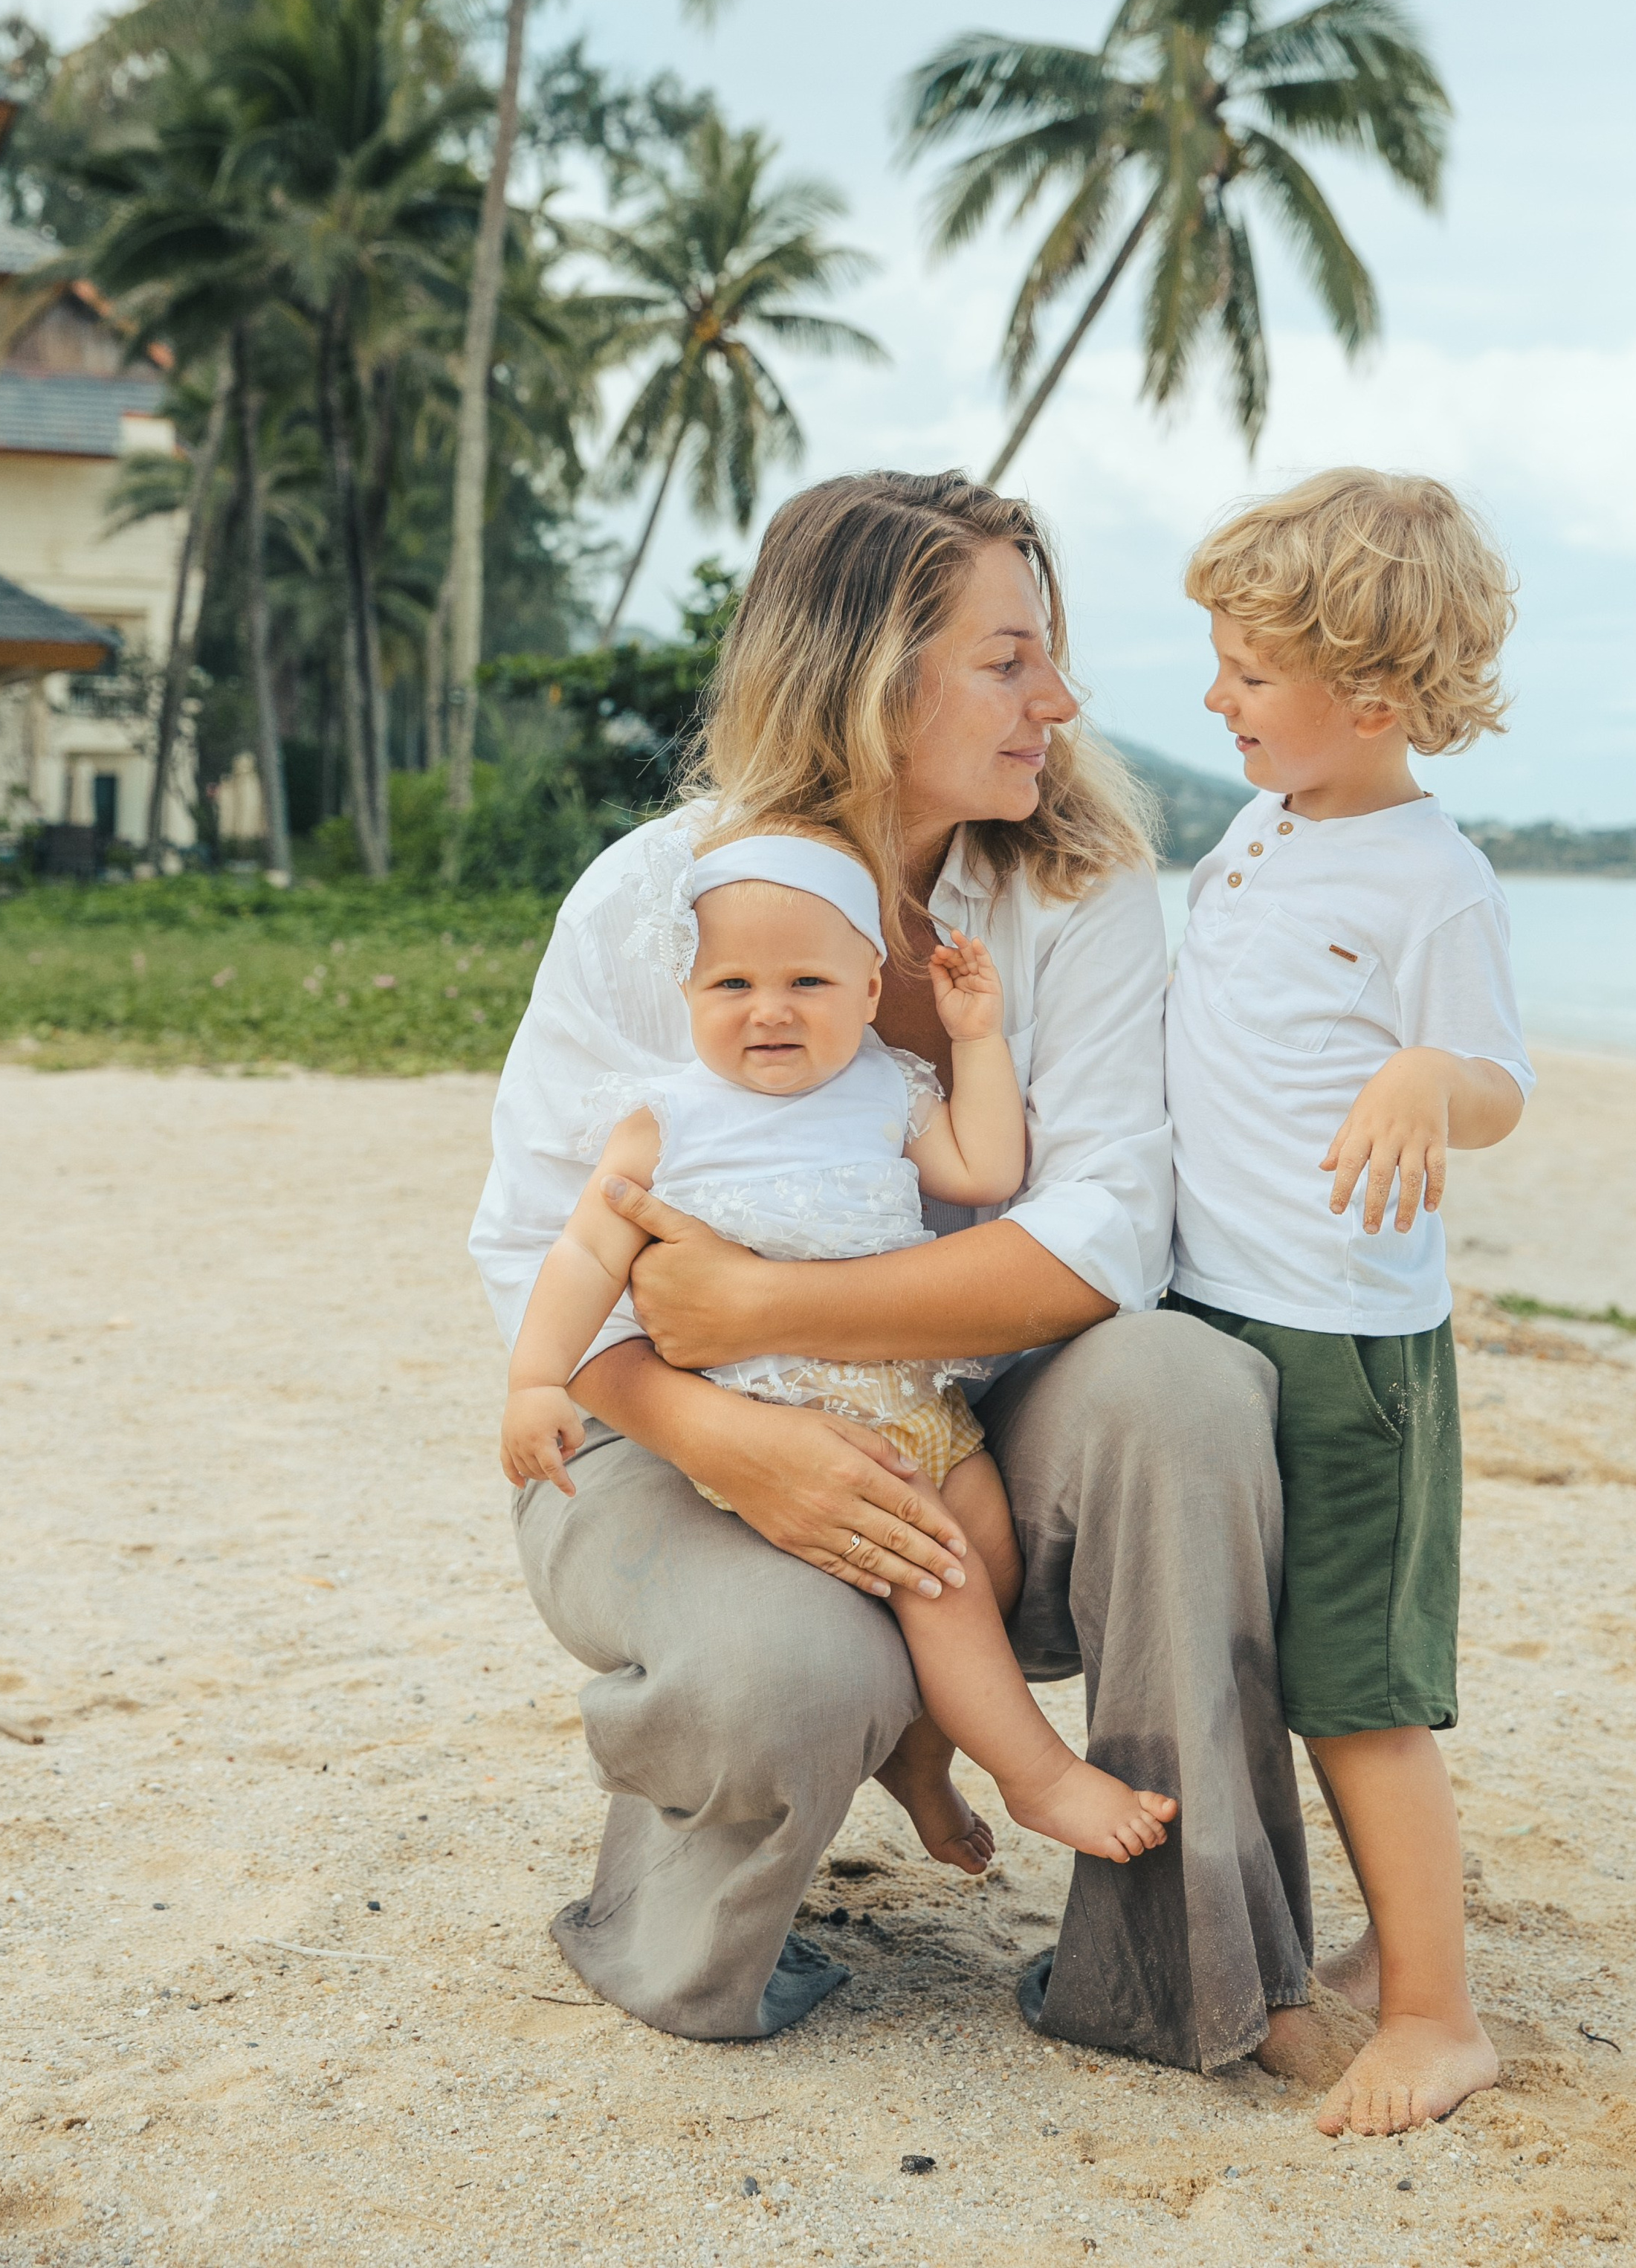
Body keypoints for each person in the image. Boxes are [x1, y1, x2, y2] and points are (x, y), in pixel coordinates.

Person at [471, 468, 1316, 2067]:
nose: (1054, 699)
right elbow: (534, 1247)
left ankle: (1176, 1965)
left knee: (1188, 1386)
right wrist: (736, 1427)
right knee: (795, 1666)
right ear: (867, 674)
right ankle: (692, 1930)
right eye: (1007, 659)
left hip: (971, 1420)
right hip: (660, 1424)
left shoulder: (1069, 892)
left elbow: (1104, 1231)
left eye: (1046, 653)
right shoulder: (659, 904)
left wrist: (778, 1304)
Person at [499, 832, 1177, 1867]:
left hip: (918, 1407)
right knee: (940, 1577)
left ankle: (923, 1765)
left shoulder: (887, 1088)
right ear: (686, 994)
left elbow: (987, 1170)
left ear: (869, 988)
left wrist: (979, 1038)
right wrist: (536, 1379)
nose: (768, 1008)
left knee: (988, 1553)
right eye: (732, 982)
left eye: (807, 980)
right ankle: (1040, 1778)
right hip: (782, 1424)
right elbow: (584, 1253)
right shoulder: (669, 1122)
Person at [1165, 468, 1534, 2137]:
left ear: (1368, 695)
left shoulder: (1426, 878)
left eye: (1246, 671)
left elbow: (1499, 1088)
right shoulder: (1256, 832)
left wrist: (1420, 1076)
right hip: (1211, 1309)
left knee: (1354, 1685)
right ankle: (1337, 1954)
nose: (1214, 695)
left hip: (1345, 1335)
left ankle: (1438, 2013)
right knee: (1251, 1659)